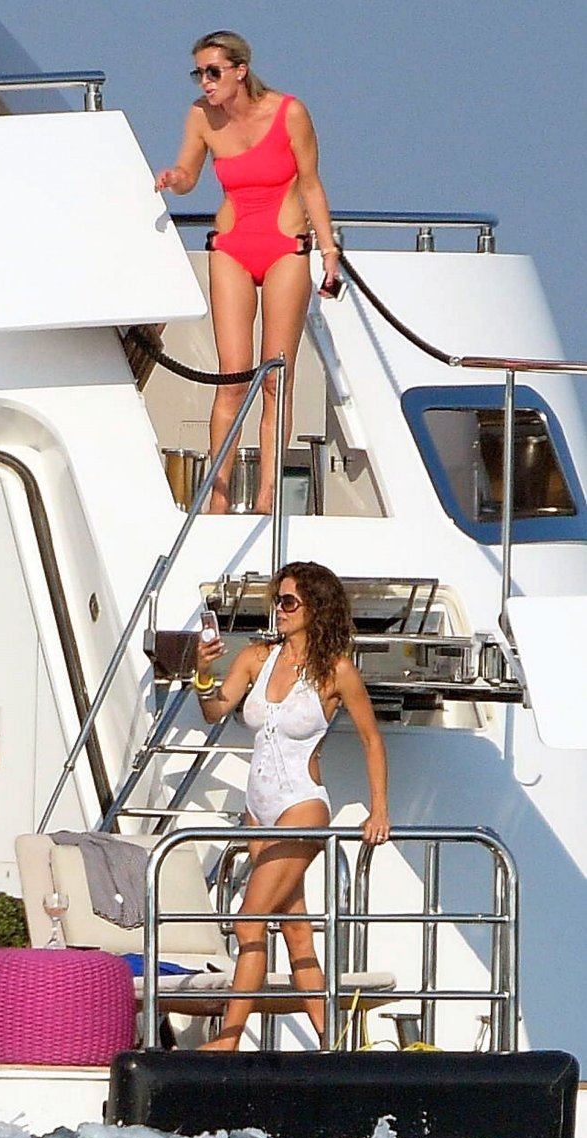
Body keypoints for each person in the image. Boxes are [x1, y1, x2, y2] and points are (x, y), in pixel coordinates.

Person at [192, 561, 389, 1049]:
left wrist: (379, 810)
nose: (278, 610)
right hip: (258, 808)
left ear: (314, 608)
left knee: (248, 921)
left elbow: (371, 739)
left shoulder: (337, 671)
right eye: (277, 601)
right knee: (295, 929)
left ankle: (229, 1040)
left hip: (302, 803)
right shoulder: (257, 658)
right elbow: (215, 710)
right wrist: (203, 674)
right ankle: (331, 1042)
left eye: (288, 602)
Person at [156, 31, 340, 515]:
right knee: (232, 378)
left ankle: (267, 494)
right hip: (232, 245)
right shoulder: (201, 115)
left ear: (240, 70)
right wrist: (175, 179)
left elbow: (312, 184)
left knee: (275, 376)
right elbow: (189, 174)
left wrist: (329, 253)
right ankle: (216, 496)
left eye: (213, 71)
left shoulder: (289, 112)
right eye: (199, 72)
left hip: (285, 245)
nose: (205, 81)